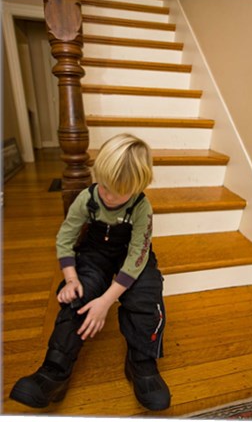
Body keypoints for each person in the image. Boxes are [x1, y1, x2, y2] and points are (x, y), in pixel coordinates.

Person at [9, 133, 171, 411]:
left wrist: (106, 302)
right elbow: (65, 238)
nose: (107, 196)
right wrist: (71, 279)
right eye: (104, 187)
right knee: (79, 294)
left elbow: (136, 259)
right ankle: (55, 369)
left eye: (118, 192)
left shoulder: (142, 208)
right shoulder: (87, 198)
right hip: (95, 253)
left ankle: (141, 362)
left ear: (138, 186)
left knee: (147, 294)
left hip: (131, 258)